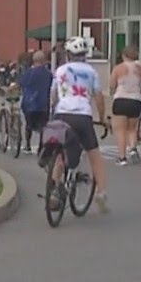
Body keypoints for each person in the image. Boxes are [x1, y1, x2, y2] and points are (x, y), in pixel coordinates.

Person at [49, 36, 110, 214]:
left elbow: (53, 95)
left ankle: (54, 190)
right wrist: (102, 117)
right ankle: (101, 193)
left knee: (59, 154)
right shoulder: (91, 72)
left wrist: (53, 112)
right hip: (82, 115)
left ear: (68, 54)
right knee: (94, 156)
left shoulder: (60, 70)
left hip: (62, 113)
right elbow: (98, 96)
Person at [109, 45, 141, 165]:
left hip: (121, 100)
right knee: (132, 128)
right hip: (135, 100)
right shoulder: (140, 68)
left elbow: (112, 85)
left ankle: (122, 157)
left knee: (120, 130)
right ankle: (133, 149)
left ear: (123, 56)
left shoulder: (118, 68)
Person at [17, 49, 52, 153]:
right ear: (45, 61)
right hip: (43, 103)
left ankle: (27, 145)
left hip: (29, 104)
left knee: (28, 124)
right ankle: (41, 147)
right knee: (43, 126)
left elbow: (20, 83)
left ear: (33, 60)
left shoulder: (29, 73)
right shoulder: (49, 74)